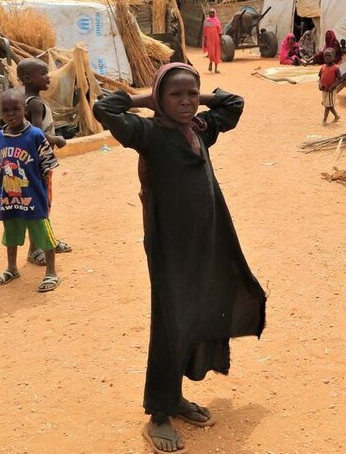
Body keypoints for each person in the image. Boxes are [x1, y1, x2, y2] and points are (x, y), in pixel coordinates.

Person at [93, 63, 266, 454]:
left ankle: (175, 397)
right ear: (159, 100)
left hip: (207, 239)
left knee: (197, 311)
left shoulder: (201, 130)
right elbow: (106, 108)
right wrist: (150, 98)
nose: (187, 102)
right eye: (177, 95)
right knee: (172, 320)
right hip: (170, 245)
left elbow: (233, 104)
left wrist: (194, 99)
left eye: (193, 94)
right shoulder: (149, 133)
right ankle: (158, 412)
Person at [0, 89, 60, 292]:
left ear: (25, 110)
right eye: (6, 110)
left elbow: (47, 164)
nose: (11, 114)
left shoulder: (35, 135)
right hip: (9, 196)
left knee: (42, 232)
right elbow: (2, 163)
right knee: (11, 231)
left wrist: (42, 193)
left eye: (16, 109)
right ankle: (12, 268)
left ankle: (51, 272)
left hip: (33, 196)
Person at [17, 58, 72, 262]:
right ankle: (35, 249)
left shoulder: (23, 101)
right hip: (39, 164)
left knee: (39, 203)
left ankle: (47, 241)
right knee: (41, 204)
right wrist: (57, 139)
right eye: (43, 73)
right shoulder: (36, 103)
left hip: (28, 162)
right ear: (29, 79)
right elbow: (37, 134)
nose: (48, 76)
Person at [318, 49, 341, 125]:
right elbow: (320, 78)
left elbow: (339, 79)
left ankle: (324, 120)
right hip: (324, 90)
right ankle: (336, 116)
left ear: (333, 57)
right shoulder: (323, 67)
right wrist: (320, 85)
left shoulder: (336, 68)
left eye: (329, 56)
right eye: (325, 56)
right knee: (328, 104)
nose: (327, 57)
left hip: (330, 90)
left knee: (327, 106)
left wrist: (333, 86)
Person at [202, 8, 222, 73]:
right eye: (210, 12)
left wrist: (221, 41)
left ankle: (216, 69)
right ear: (208, 13)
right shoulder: (206, 21)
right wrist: (205, 41)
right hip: (209, 40)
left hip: (216, 40)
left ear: (215, 13)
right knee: (211, 52)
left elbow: (219, 32)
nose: (211, 14)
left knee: (216, 53)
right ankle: (210, 62)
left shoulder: (217, 21)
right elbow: (204, 33)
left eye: (213, 12)